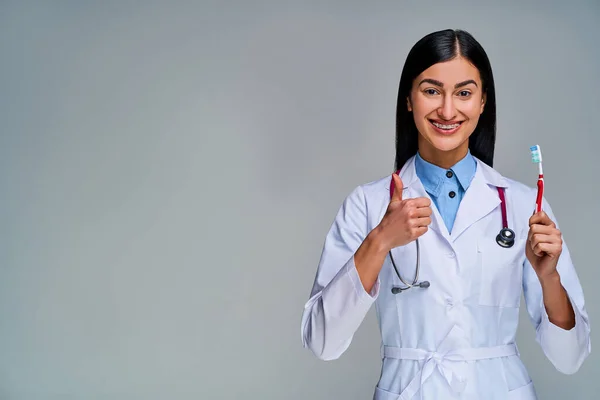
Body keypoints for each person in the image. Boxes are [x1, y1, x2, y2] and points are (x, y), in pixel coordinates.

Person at [300, 29, 591, 399]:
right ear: (409, 99)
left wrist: (549, 278)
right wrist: (380, 241)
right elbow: (323, 341)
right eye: (431, 91)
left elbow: (571, 357)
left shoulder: (521, 205)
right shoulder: (367, 204)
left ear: (483, 102)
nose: (448, 110)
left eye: (464, 93)